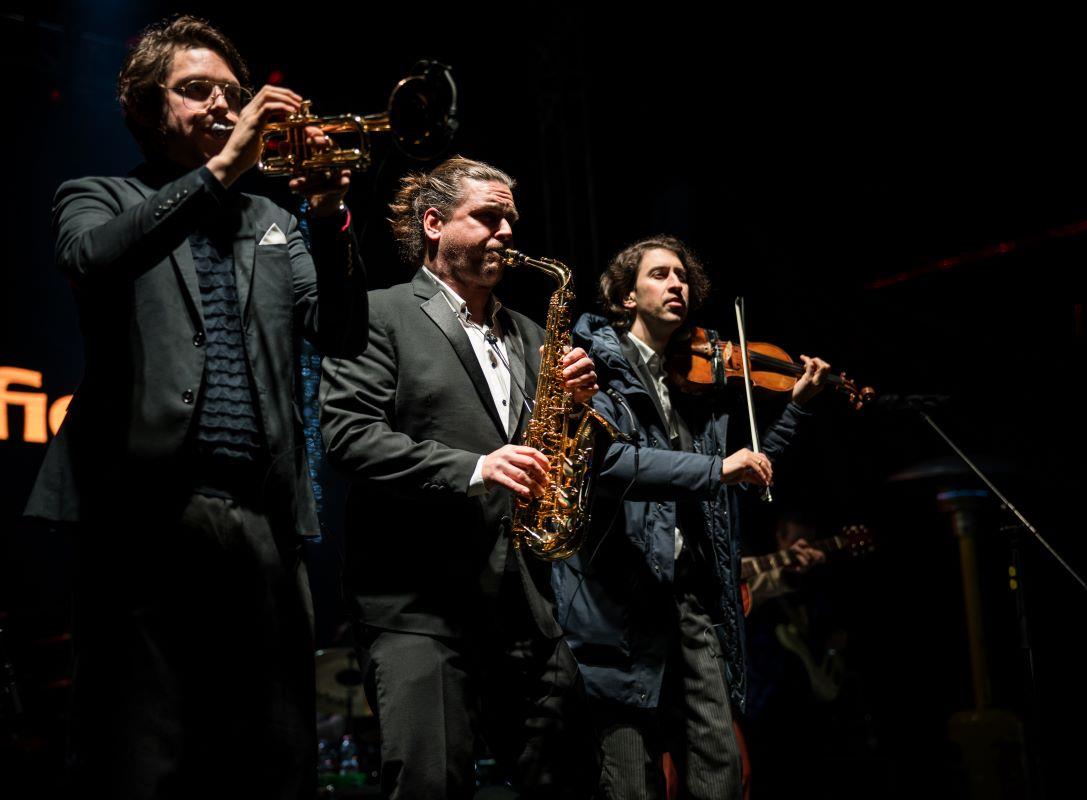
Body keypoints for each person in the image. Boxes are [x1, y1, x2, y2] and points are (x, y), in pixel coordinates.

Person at [22, 14, 368, 798]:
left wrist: (326, 219)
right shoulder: (96, 196)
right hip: (142, 512)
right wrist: (222, 170)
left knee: (273, 760)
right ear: (149, 109)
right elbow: (92, 260)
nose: (223, 105)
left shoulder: (272, 222)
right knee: (142, 756)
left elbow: (342, 332)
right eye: (197, 90)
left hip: (262, 521)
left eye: (232, 93)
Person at [319, 156, 600, 799]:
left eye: (511, 219)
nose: (507, 232)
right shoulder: (378, 313)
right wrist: (476, 467)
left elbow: (553, 449)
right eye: (488, 217)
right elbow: (349, 437)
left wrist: (577, 408)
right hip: (419, 610)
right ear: (433, 223)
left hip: (524, 608)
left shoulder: (533, 334)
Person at [553, 235, 829, 799]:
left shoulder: (697, 385)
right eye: (659, 274)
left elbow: (743, 472)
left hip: (689, 593)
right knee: (632, 779)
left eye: (681, 275)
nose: (676, 283)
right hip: (622, 596)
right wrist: (717, 469)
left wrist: (796, 408)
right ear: (626, 296)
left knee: (720, 769)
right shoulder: (593, 368)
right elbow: (610, 464)